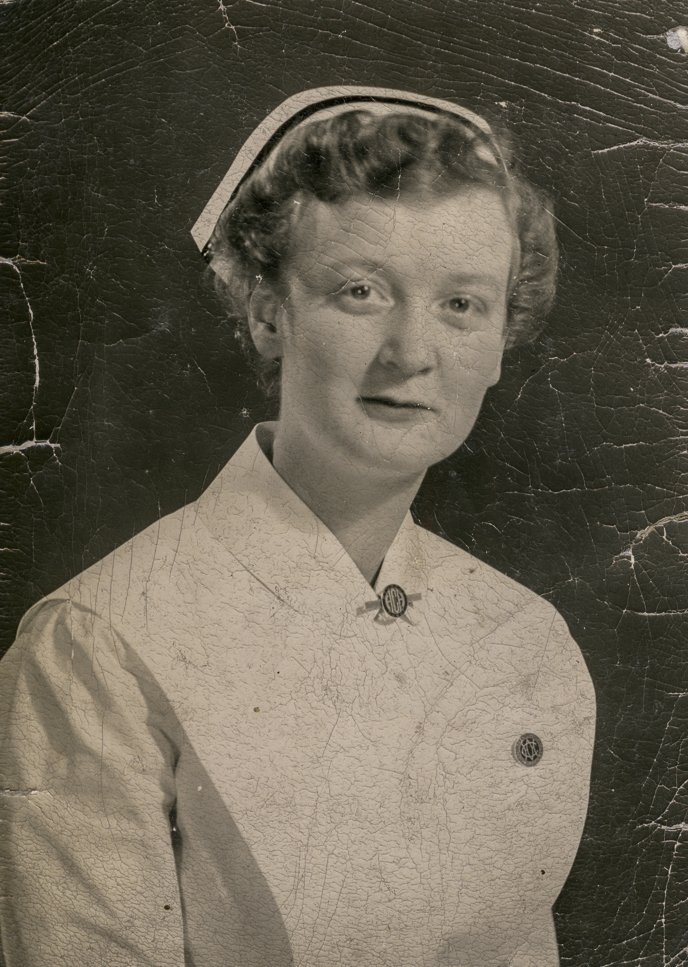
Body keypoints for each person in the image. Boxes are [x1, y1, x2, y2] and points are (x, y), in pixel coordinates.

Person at [0, 87, 596, 967]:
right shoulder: (97, 645)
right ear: (267, 311)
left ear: (504, 336)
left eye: (463, 304)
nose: (411, 352)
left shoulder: (525, 640)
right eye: (361, 291)